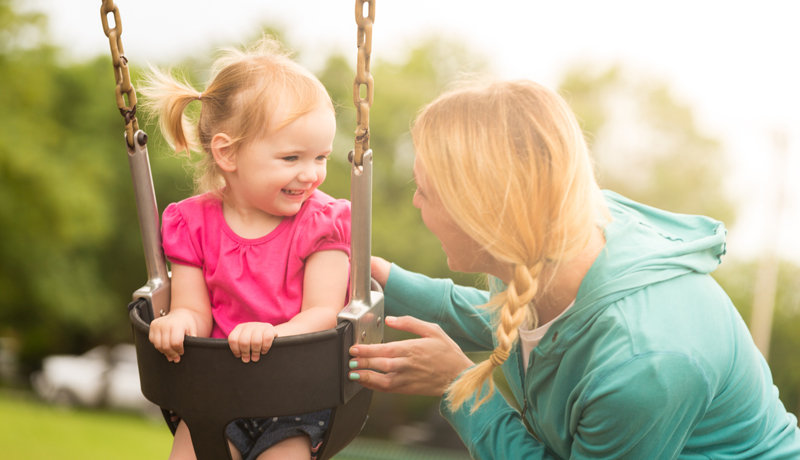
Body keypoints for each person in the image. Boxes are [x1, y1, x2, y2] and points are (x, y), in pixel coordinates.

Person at [347, 79, 800, 458]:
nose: (414, 201)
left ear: (480, 213)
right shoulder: (563, 230)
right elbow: (520, 321)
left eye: (425, 191)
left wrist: (459, 388)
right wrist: (385, 280)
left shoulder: (642, 365)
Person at [139, 37, 350, 460]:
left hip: (295, 398)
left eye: (321, 157)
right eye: (291, 158)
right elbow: (194, 309)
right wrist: (177, 322)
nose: (311, 174)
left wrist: (274, 333)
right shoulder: (191, 223)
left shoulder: (323, 222)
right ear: (228, 153)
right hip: (218, 392)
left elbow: (325, 312)